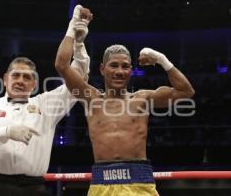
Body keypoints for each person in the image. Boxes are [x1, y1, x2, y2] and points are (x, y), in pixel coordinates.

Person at [55, 13, 195, 196]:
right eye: (114, 65)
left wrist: (162, 60)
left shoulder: (143, 99)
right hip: (101, 184)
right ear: (102, 69)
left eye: (125, 66)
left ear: (131, 70)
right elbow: (62, 65)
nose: (119, 71)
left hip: (140, 183)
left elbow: (186, 91)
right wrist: (72, 27)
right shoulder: (91, 99)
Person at [0, 5, 93, 196]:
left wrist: (78, 43)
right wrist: (5, 132)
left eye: (27, 77)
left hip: (33, 188)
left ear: (34, 84)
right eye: (16, 76)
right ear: (5, 79)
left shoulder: (46, 105)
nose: (20, 81)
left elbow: (77, 81)